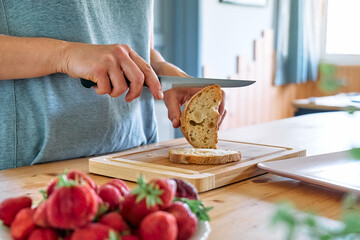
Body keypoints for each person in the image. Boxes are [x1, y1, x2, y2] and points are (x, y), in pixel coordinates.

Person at [0, 1, 226, 170]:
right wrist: (64, 56)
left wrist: (161, 69)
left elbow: (138, 41)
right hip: (34, 172)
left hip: (137, 158)